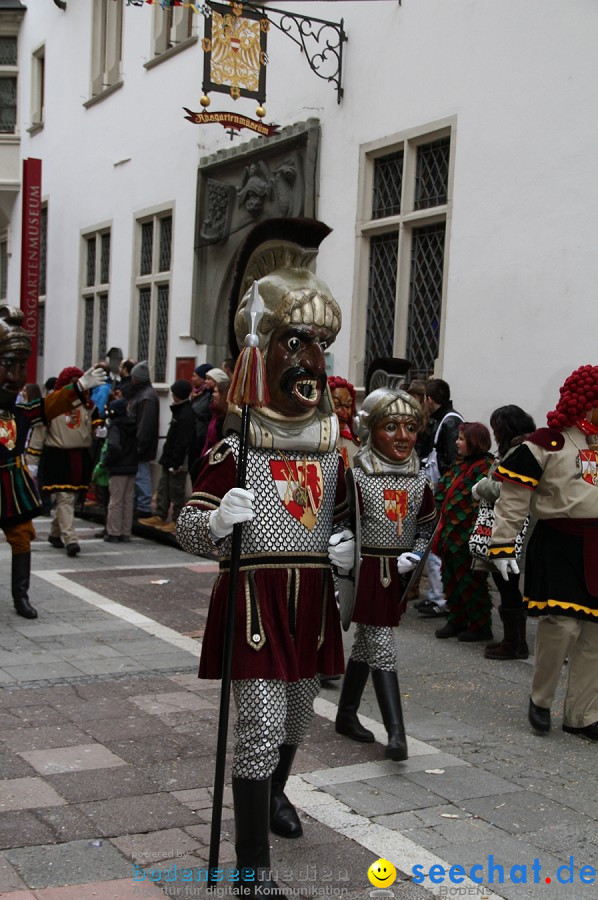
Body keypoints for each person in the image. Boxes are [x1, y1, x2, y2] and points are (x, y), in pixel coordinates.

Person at [177, 218, 351, 896]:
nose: (312, 359)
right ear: (261, 349)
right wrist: (217, 521)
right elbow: (192, 523)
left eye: (322, 345)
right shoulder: (237, 442)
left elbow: (339, 514)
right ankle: (254, 872)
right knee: (257, 724)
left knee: (300, 716)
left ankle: (277, 788)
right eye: (297, 341)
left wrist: (343, 545)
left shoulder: (333, 441)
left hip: (312, 599)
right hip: (253, 596)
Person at [490, 365, 598, 741]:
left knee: (596, 635)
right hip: (560, 542)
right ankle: (541, 699)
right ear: (586, 403)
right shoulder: (546, 443)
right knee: (561, 627)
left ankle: (582, 714)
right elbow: (513, 501)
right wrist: (502, 544)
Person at [335, 388, 436, 760]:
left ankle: (346, 714)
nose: (402, 436)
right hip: (366, 573)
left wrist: (416, 555)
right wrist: (340, 556)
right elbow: (337, 524)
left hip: (396, 573)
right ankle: (397, 734)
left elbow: (427, 526)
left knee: (367, 643)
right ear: (371, 430)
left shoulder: (419, 481)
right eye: (391, 426)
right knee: (381, 645)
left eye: (410, 427)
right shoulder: (356, 477)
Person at [0, 304, 106, 617]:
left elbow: (47, 408)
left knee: (22, 537)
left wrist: (80, 387)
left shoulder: (19, 412)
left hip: (11, 482)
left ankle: (21, 597)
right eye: (9, 364)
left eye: (21, 367)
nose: (17, 376)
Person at [471, 405, 536, 660]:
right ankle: (513, 641)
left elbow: (510, 489)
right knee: (505, 582)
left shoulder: (520, 452)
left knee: (507, 582)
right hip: (512, 524)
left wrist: (481, 486)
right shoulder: (520, 449)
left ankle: (514, 643)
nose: (495, 434)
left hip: (512, 527)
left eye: (497, 428)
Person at [434, 422, 494, 642]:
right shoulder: (459, 464)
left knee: (471, 581)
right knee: (450, 578)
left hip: (467, 534)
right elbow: (444, 489)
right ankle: (457, 619)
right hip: (449, 533)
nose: (456, 442)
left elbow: (482, 502)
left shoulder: (485, 466)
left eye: (461, 439)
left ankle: (480, 625)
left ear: (474, 442)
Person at [41, 367, 104, 557]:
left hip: (79, 455)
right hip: (58, 454)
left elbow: (95, 423)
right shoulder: (52, 404)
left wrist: (99, 430)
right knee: (65, 497)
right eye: (73, 381)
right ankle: (71, 540)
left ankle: (55, 532)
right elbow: (40, 430)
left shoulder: (88, 405)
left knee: (70, 498)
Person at [416, 379, 464, 618]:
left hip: (440, 494)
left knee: (435, 547)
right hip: (435, 491)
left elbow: (452, 460)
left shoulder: (450, 421)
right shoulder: (441, 419)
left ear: (429, 399)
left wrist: (443, 490)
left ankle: (441, 598)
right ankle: (437, 595)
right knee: (430, 546)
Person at [139, 379, 196, 533]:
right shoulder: (179, 410)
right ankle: (160, 514)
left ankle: (177, 520)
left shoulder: (186, 414)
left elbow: (182, 441)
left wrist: (176, 462)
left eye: (173, 392)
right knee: (163, 488)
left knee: (176, 491)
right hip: (169, 457)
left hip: (177, 461)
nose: (171, 395)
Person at [103, 397, 138, 542]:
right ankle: (125, 532)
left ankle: (114, 532)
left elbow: (114, 446)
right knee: (127, 501)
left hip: (118, 467)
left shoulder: (115, 426)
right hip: (131, 466)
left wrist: (107, 460)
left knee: (115, 501)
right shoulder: (132, 424)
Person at [128, 360, 159, 518]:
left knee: (142, 475)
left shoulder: (147, 397)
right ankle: (139, 504)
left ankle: (144, 506)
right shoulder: (142, 394)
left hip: (141, 445)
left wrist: (139, 445)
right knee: (138, 475)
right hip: (137, 443)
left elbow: (145, 424)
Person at [328, 375, 360, 469]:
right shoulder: (317, 441)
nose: (344, 413)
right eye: (337, 405)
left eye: (348, 406)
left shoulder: (358, 440)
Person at [189, 363, 214, 481]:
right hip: (193, 437)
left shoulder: (208, 395)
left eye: (195, 376)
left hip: (201, 437)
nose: (192, 379)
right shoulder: (196, 394)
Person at [199, 370, 231, 458]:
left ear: (223, 395)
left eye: (216, 392)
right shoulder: (216, 413)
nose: (213, 394)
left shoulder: (226, 419)